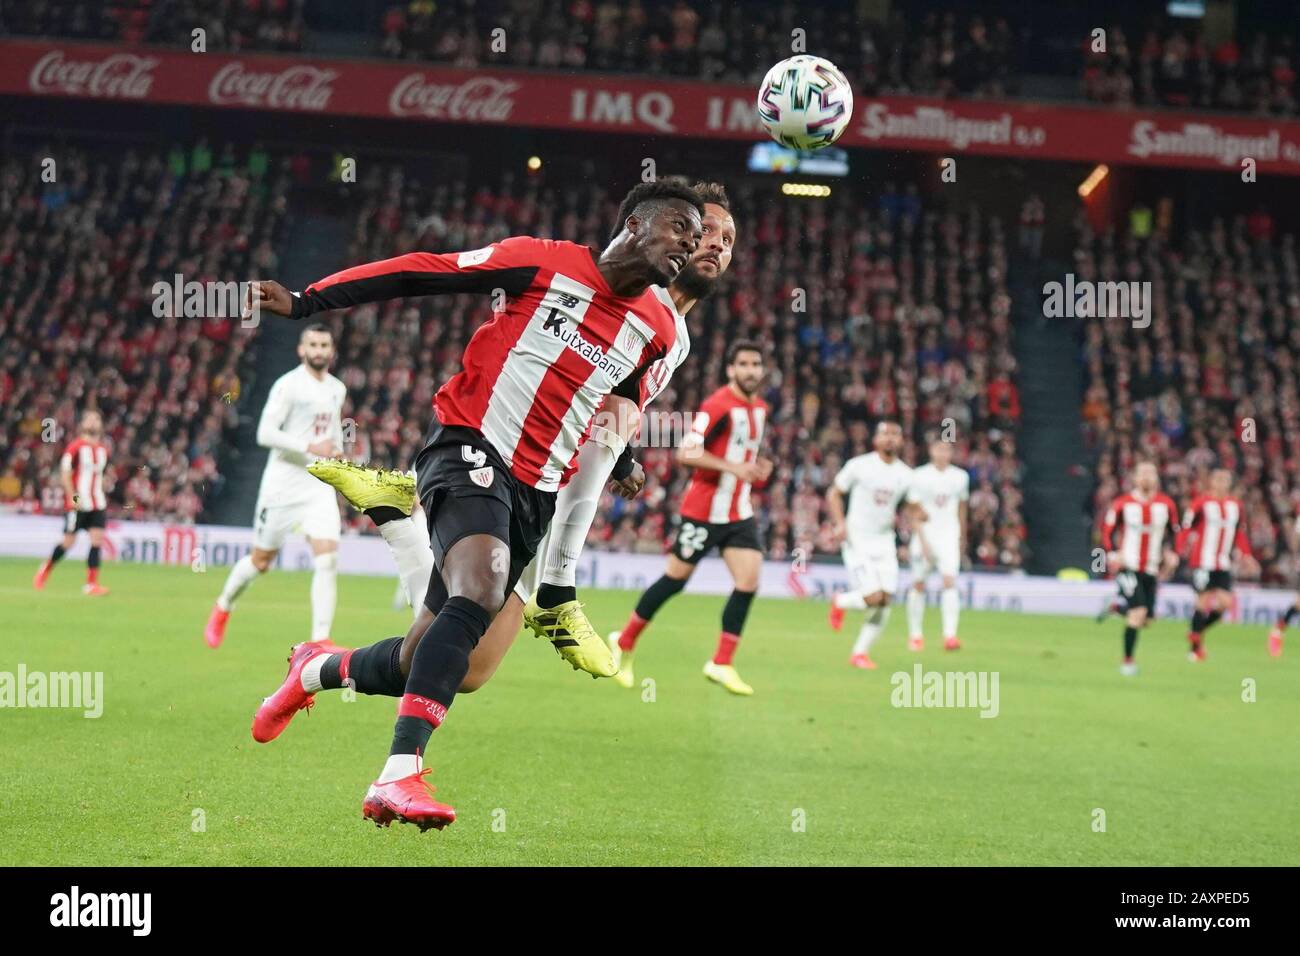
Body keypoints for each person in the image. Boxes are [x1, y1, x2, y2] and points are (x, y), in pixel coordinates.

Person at [248, 179, 704, 830]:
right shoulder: (543, 261)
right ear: (634, 224)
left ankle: (314, 670)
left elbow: (616, 393)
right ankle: (399, 775)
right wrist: (305, 300)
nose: (688, 244)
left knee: (440, 661)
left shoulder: (658, 328)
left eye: (697, 238)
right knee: (482, 583)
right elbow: (421, 272)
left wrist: (624, 458)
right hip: (468, 444)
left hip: (535, 493)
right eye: (679, 228)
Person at [609, 340, 771, 696]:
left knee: (749, 581)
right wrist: (733, 467)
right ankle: (623, 641)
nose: (750, 370)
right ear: (731, 370)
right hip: (703, 511)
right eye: (742, 363)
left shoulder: (759, 408)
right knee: (676, 580)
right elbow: (687, 452)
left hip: (738, 512)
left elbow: (746, 451)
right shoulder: (718, 405)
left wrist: (759, 467)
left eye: (755, 363)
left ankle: (722, 662)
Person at [203, 325, 346, 648]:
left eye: (324, 344)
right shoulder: (288, 386)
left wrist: (336, 451)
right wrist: (310, 446)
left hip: (317, 484)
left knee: (327, 559)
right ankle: (224, 605)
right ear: (301, 350)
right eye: (313, 344)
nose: (319, 350)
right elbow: (265, 434)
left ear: (331, 350)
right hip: (282, 484)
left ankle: (320, 640)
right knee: (261, 561)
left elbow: (333, 432)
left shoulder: (337, 389)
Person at [825, 420, 922, 669]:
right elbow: (834, 493)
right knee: (873, 597)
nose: (890, 439)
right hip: (857, 539)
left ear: (901, 441)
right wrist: (839, 524)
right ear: (876, 440)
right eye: (885, 434)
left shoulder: (906, 474)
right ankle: (841, 602)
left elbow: (912, 505)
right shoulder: (859, 466)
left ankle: (859, 653)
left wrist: (922, 516)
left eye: (895, 435)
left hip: (884, 542)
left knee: (886, 600)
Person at [1100, 461, 1180, 676]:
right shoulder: (1122, 503)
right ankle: (1127, 662)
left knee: (1147, 620)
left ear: (1157, 478)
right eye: (1142, 473)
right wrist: (1112, 553)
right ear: (1134, 478)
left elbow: (1175, 532)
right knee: (1139, 612)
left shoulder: (1166, 505)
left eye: (1151, 474)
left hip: (1151, 568)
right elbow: (1106, 531)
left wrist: (1173, 552)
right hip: (1129, 566)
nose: (1146, 478)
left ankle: (1117, 608)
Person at [1176, 468, 1258, 661]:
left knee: (1226, 604)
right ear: (1211, 482)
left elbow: (1240, 533)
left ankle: (1197, 630)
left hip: (1223, 562)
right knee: (1203, 602)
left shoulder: (1235, 506)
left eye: (1225, 479)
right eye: (1218, 479)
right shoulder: (1200, 503)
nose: (1222, 483)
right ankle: (1194, 649)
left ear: (1229, 483)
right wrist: (1180, 548)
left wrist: (1247, 555)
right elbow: (1185, 527)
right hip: (1202, 561)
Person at [33, 410, 112, 596]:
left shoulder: (103, 450)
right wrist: (73, 498)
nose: (93, 422)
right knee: (68, 542)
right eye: (89, 419)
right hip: (78, 503)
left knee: (97, 540)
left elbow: (102, 475)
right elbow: (65, 473)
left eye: (97, 419)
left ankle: (91, 584)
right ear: (82, 424)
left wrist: (103, 488)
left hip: (97, 503)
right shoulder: (75, 447)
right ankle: (45, 569)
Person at [904, 439, 969, 651]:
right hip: (926, 535)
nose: (942, 453)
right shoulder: (919, 476)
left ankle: (950, 635)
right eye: (939, 448)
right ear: (931, 450)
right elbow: (913, 511)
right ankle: (915, 635)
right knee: (919, 584)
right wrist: (921, 540)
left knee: (949, 582)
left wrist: (961, 536)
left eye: (946, 449)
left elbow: (961, 508)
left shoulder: (960, 477)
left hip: (949, 536)